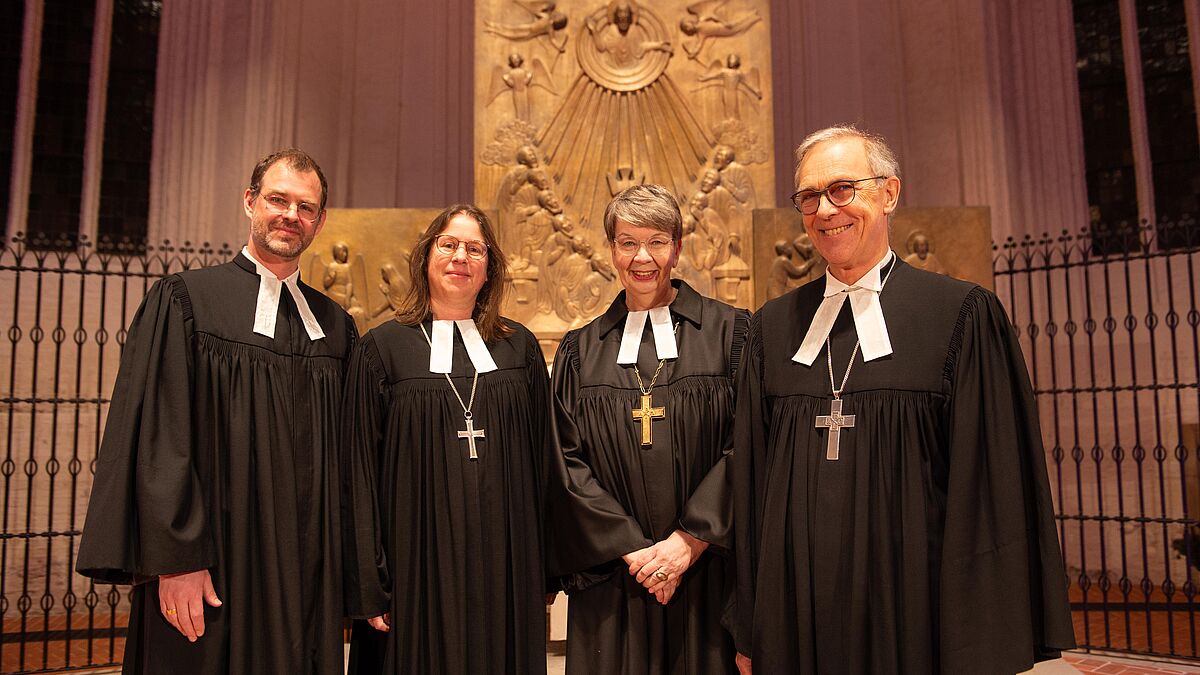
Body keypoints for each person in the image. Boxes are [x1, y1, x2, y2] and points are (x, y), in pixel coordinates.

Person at [729, 126, 1075, 674]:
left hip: (914, 620)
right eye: (810, 197)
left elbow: (989, 486)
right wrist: (749, 620)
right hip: (796, 618)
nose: (825, 210)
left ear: (889, 194)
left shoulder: (960, 314)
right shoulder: (772, 328)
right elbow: (750, 486)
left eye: (843, 189)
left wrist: (972, 640)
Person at [76, 148, 355, 674]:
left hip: (304, 574)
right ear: (249, 202)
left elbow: (349, 462)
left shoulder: (336, 327)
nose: (290, 216)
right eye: (278, 200)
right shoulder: (186, 301)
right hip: (211, 567)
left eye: (306, 207)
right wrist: (176, 560)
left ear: (319, 221)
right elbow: (160, 438)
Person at [342, 205, 551, 674]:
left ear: (490, 268)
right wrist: (368, 580)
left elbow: (545, 462)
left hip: (505, 562)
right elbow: (358, 469)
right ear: (425, 257)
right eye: (449, 245)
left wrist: (544, 567)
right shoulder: (382, 348)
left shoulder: (519, 347)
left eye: (475, 249)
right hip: (413, 565)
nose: (462, 257)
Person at [547, 184, 747, 673]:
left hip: (708, 571)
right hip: (616, 577)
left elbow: (748, 444)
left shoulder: (732, 334)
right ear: (611, 250)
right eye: (628, 242)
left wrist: (688, 542)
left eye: (657, 241)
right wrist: (638, 553)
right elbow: (564, 461)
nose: (643, 257)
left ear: (678, 248)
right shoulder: (581, 350)